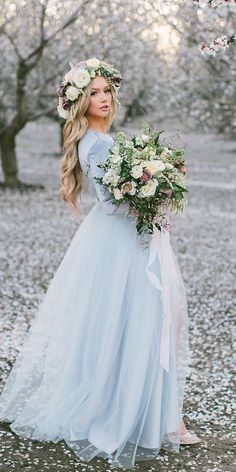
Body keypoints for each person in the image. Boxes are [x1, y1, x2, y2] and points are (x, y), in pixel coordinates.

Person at [0, 58, 200, 470]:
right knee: (147, 319)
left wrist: (154, 182)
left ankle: (158, 413)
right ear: (79, 101)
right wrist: (150, 189)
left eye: (107, 91)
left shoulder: (103, 140)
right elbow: (111, 204)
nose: (103, 99)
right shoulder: (98, 143)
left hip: (129, 236)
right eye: (93, 93)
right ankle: (142, 416)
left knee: (151, 318)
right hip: (123, 241)